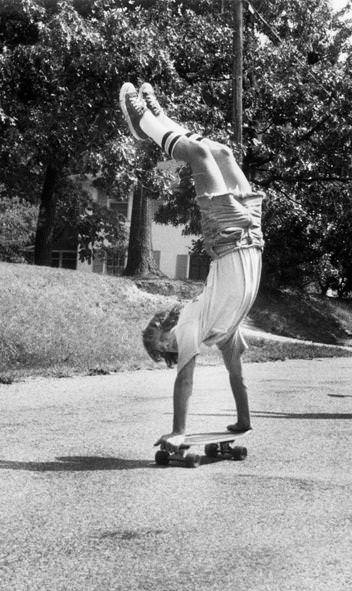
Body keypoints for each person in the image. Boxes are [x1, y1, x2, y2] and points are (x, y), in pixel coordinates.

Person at [120, 81, 263, 447]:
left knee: (200, 155)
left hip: (228, 235)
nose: (170, 344)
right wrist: (243, 421)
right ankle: (158, 119)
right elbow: (237, 374)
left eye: (161, 338)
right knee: (225, 154)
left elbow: (184, 379)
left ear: (167, 326)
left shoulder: (190, 322)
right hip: (251, 235)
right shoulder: (221, 331)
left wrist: (179, 431)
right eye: (163, 347)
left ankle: (148, 123)